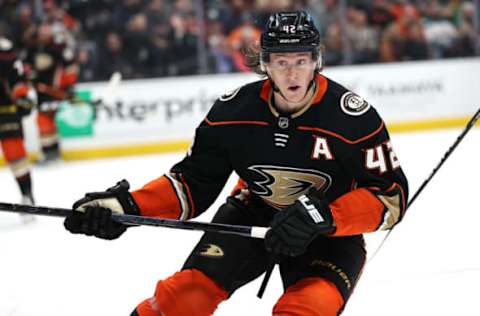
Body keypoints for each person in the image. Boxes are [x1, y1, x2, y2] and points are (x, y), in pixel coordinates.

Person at [64, 11, 409, 316]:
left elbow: (391, 197)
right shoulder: (233, 113)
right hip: (252, 216)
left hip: (327, 232)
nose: (292, 73)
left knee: (308, 308)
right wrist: (126, 206)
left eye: (301, 61)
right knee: (182, 300)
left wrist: (327, 217)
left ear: (316, 61)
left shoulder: (352, 118)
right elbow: (192, 183)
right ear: (265, 63)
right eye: (281, 62)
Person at [23, 21, 78, 162]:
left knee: (44, 119)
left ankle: (50, 152)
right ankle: (53, 151)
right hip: (40, 91)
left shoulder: (59, 47)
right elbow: (25, 67)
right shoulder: (33, 47)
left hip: (54, 90)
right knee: (46, 120)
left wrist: (69, 86)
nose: (44, 35)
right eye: (42, 32)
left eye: (46, 32)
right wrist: (30, 76)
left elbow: (70, 66)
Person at [0, 36, 36, 206]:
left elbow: (17, 77)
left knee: (15, 155)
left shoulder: (5, 50)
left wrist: (21, 96)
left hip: (5, 112)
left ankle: (27, 195)